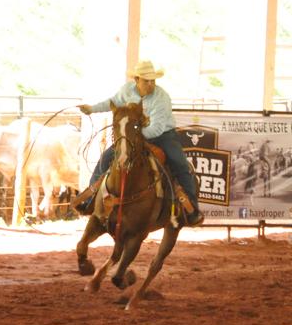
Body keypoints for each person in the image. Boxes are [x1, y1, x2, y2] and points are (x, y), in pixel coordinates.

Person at [73, 60, 203, 226]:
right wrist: (91, 109)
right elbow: (112, 102)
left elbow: (156, 129)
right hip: (132, 136)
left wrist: (133, 136)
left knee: (180, 164)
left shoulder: (161, 98)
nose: (150, 84)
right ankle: (90, 200)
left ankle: (191, 209)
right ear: (137, 79)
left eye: (153, 81)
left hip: (163, 136)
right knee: (106, 159)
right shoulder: (127, 90)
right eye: (146, 80)